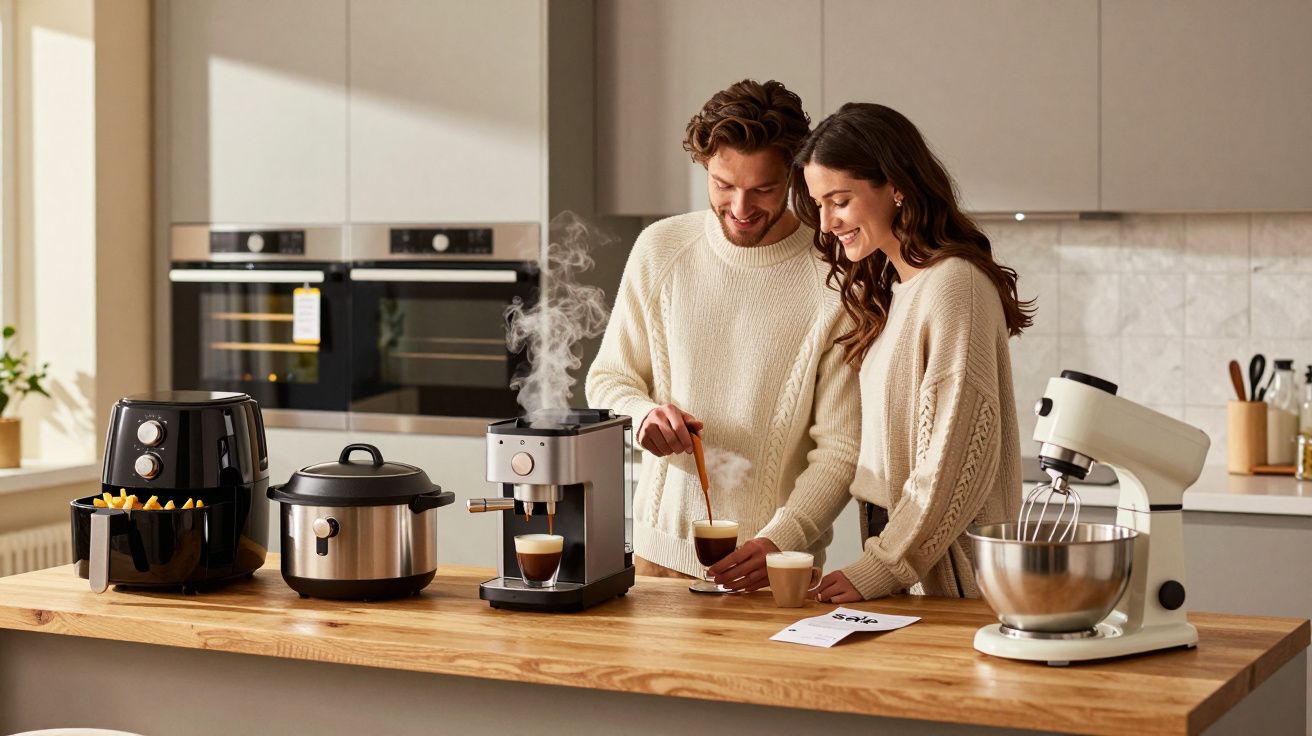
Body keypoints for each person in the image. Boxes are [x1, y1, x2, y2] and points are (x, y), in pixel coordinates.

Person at [586, 80, 859, 587]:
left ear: (797, 175)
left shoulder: (837, 275)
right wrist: (643, 415)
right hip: (656, 560)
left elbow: (841, 449)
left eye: (763, 189)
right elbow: (608, 380)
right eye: (722, 184)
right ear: (704, 167)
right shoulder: (660, 248)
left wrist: (780, 540)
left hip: (775, 569)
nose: (740, 207)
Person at [790, 102, 1029, 603]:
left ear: (896, 186)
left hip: (947, 571)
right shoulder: (899, 291)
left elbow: (953, 463)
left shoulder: (954, 286)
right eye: (818, 205)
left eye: (840, 201)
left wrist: (882, 566)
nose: (827, 223)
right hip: (908, 559)